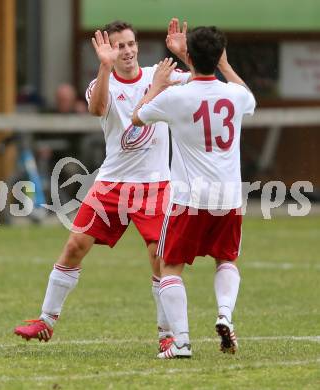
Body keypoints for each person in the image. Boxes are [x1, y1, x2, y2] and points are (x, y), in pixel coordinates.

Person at [14, 20, 190, 352]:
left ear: (138, 45)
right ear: (109, 50)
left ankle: (165, 334)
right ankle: (46, 321)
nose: (126, 50)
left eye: (130, 44)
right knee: (74, 247)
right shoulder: (100, 82)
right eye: (119, 46)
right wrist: (105, 66)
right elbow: (97, 108)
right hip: (111, 183)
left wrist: (183, 54)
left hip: (154, 185)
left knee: (159, 256)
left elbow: (201, 81)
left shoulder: (160, 74)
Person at [132, 25, 256, 358]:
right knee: (227, 259)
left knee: (170, 266)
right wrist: (224, 64)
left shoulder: (176, 97)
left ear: (191, 57)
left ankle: (182, 342)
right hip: (228, 197)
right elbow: (248, 96)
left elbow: (138, 117)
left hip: (189, 199)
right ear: (219, 55)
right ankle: (225, 314)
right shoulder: (236, 95)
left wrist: (156, 84)